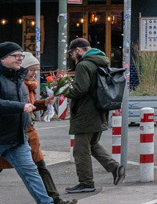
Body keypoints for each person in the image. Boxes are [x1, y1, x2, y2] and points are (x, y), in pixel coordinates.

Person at [65, 37, 124, 193]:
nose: (72, 57)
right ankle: (115, 168)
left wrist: (65, 92)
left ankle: (86, 183)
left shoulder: (83, 65)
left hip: (85, 112)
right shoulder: (101, 61)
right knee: (92, 144)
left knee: (80, 150)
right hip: (100, 109)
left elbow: (81, 89)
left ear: (78, 50)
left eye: (72, 53)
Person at [0, 42, 55, 204]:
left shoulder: (19, 77)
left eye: (21, 56)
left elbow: (27, 104)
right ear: (2, 58)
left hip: (17, 139)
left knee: (31, 173)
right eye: (15, 56)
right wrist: (21, 107)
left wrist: (44, 103)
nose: (20, 59)